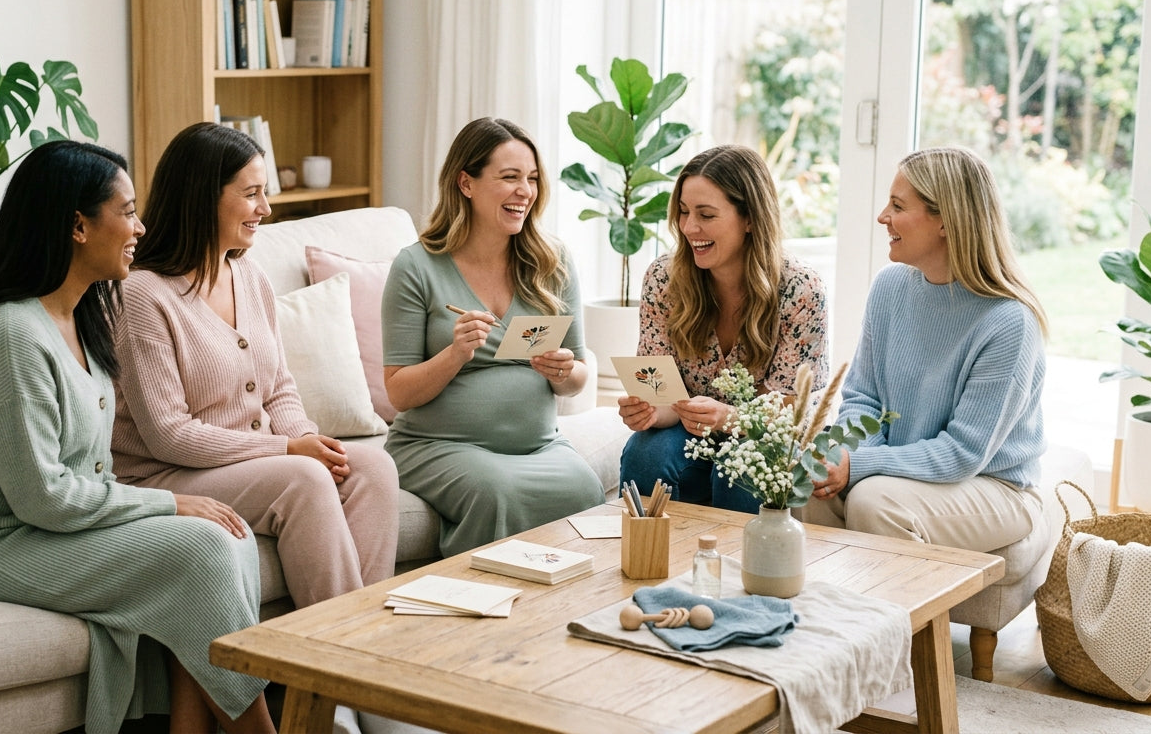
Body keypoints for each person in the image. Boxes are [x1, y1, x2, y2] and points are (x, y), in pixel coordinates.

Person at [0, 140, 274, 734]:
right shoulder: (11, 335)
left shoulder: (84, 318)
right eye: (127, 212)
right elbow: (44, 496)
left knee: (224, 538)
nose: (140, 228)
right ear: (78, 226)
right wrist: (169, 502)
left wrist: (175, 508)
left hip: (38, 524)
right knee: (202, 549)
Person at [110, 121, 398, 608]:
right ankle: (334, 647)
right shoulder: (142, 295)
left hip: (251, 460)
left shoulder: (248, 274)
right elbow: (169, 435)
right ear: (203, 198)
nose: (266, 208)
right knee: (304, 479)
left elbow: (279, 387)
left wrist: (308, 441)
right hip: (166, 473)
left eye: (264, 193)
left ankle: (362, 633)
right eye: (251, 194)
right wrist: (287, 449)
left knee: (372, 468)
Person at [802, 146, 1047, 554]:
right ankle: (836, 597)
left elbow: (964, 452)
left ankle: (901, 600)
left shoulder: (1008, 322)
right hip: (904, 472)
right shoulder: (889, 287)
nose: (883, 217)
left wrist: (860, 465)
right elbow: (863, 398)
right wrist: (843, 457)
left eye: (898, 206)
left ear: (946, 221)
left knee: (873, 501)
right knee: (810, 486)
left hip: (994, 486)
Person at [381, 116, 605, 557]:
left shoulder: (553, 261)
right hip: (437, 446)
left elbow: (578, 375)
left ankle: (565, 599)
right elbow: (398, 393)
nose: (525, 191)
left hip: (538, 446)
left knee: (585, 487)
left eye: (532, 179)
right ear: (466, 183)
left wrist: (563, 371)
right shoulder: (416, 267)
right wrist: (454, 353)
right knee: (496, 491)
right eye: (509, 177)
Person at [617, 144, 828, 512]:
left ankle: (732, 553)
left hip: (763, 435)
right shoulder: (664, 278)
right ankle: (646, 548)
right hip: (687, 433)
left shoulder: (800, 289)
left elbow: (792, 408)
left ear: (750, 219)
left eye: (706, 214)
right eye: (684, 212)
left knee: (740, 466)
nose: (689, 227)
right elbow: (664, 393)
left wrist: (730, 417)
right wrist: (650, 411)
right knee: (644, 454)